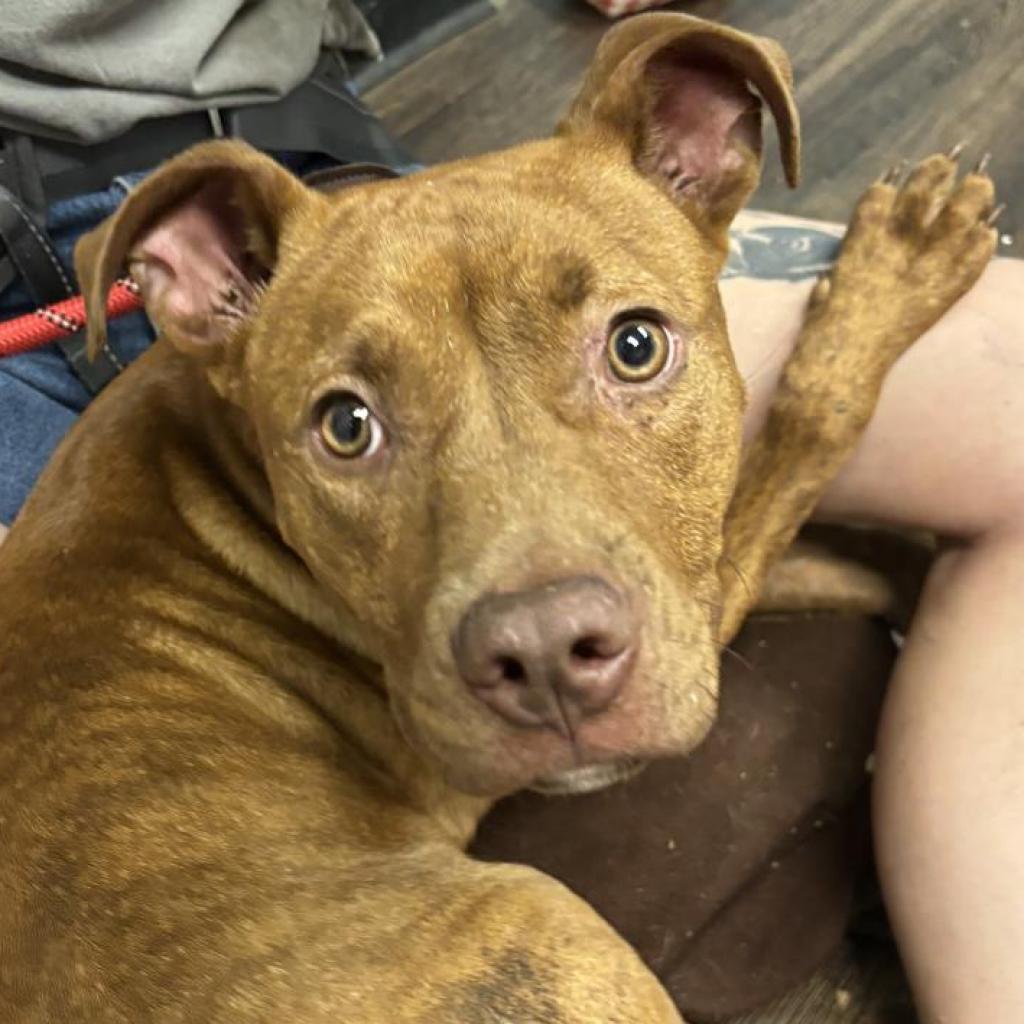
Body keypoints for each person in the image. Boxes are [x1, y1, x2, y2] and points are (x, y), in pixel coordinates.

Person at [1, 6, 1022, 1022]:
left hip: (319, 151)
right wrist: (825, 396)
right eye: (348, 428)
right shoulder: (255, 347)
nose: (541, 643)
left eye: (633, 350)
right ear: (202, 296)